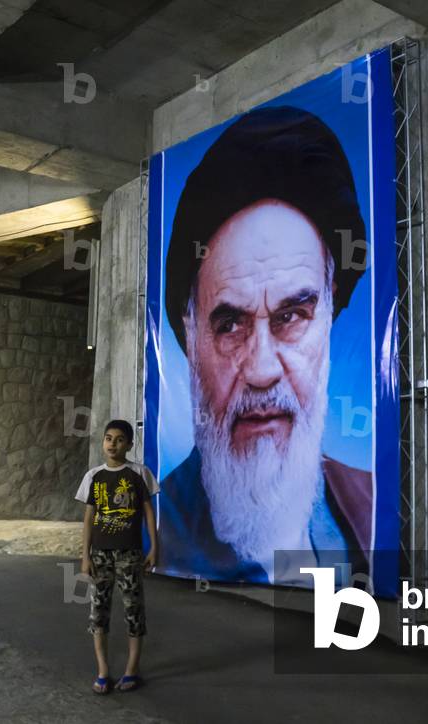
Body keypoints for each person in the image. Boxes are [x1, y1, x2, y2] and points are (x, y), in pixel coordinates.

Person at [158, 105, 373, 584]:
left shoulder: (372, 504)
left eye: (291, 316)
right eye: (230, 324)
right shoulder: (159, 525)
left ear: (329, 316)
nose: (261, 370)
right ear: (190, 336)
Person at [74, 420, 158, 694]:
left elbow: (148, 513)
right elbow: (88, 520)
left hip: (130, 554)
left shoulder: (138, 473)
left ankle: (132, 670)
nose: (113, 444)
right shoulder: (94, 476)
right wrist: (84, 555)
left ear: (130, 445)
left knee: (134, 611)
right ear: (103, 443)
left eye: (120, 439)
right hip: (100, 555)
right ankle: (103, 671)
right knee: (99, 613)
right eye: (108, 438)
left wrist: (154, 547)